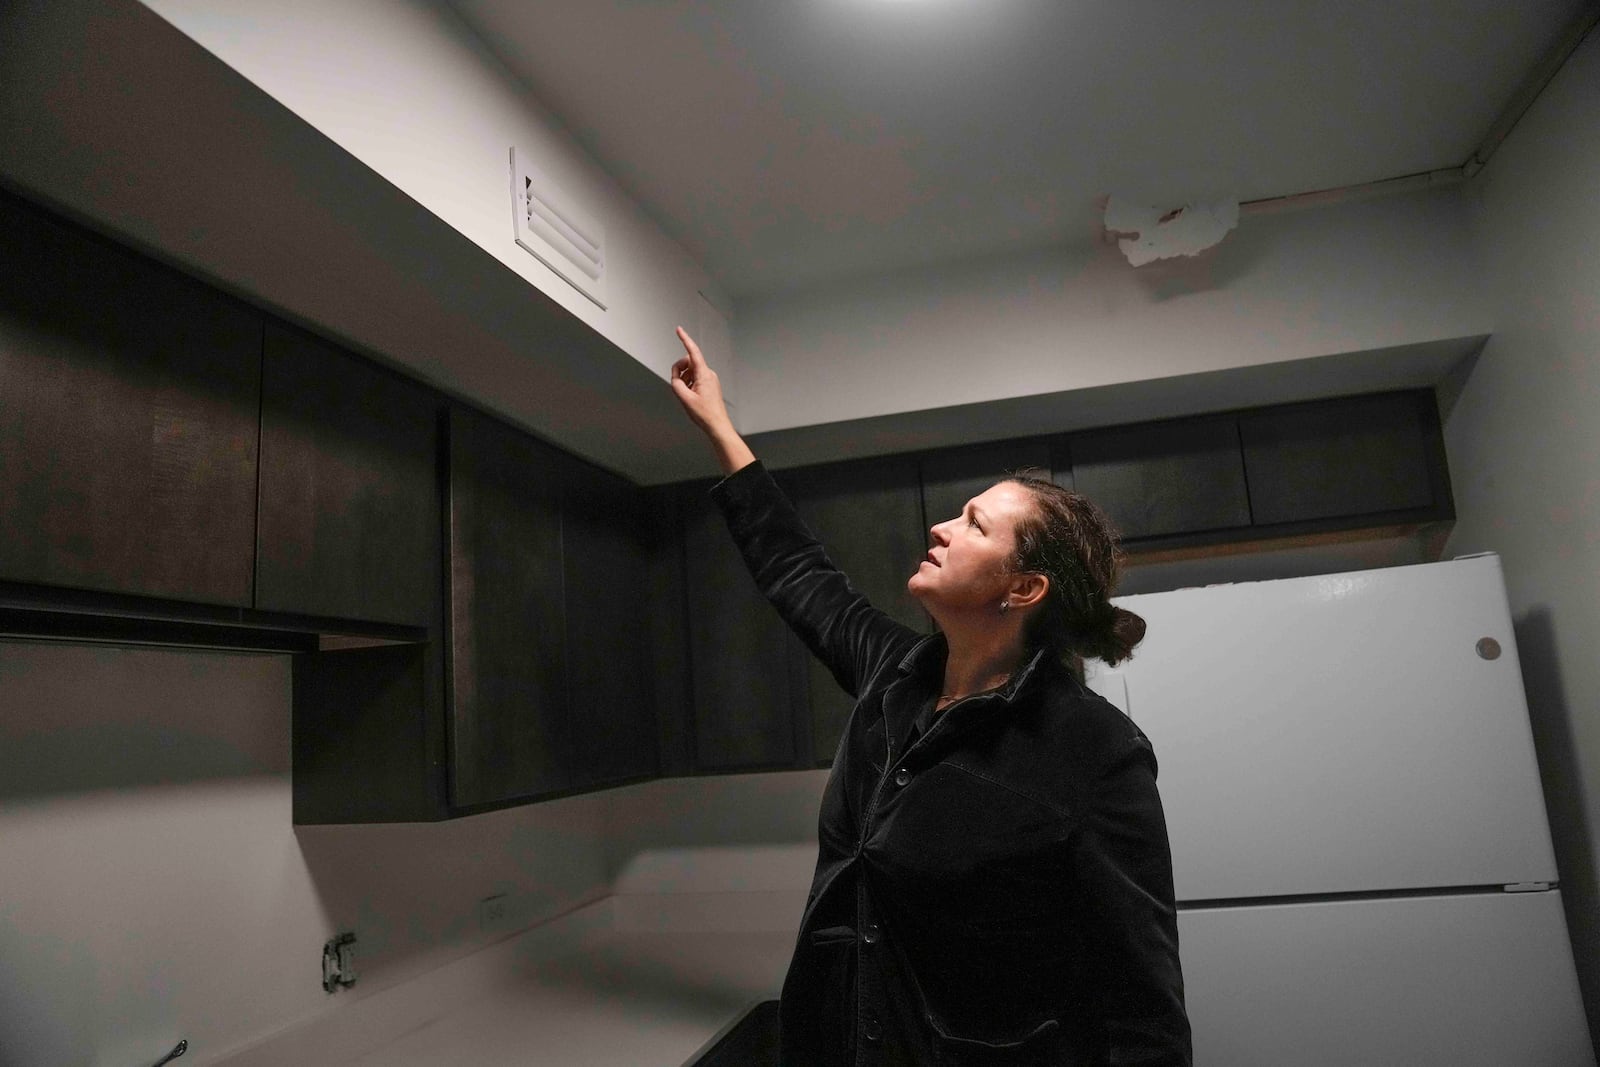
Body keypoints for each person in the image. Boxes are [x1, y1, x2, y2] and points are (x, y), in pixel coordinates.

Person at [668, 326, 1191, 1066]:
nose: (942, 526)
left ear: (1023, 587)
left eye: (974, 523)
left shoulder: (1093, 751)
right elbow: (800, 573)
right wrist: (720, 427)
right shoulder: (896, 674)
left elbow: (1144, 1008)